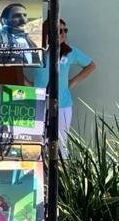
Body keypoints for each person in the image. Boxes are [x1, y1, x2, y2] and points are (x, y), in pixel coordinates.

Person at [29, 19, 95, 155]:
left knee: (60, 146)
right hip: (37, 104)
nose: (63, 33)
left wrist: (73, 81)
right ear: (48, 33)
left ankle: (61, 169)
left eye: (65, 30)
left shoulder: (70, 52)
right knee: (36, 146)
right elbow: (16, 65)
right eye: (60, 31)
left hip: (62, 105)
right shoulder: (36, 52)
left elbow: (91, 65)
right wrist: (27, 83)